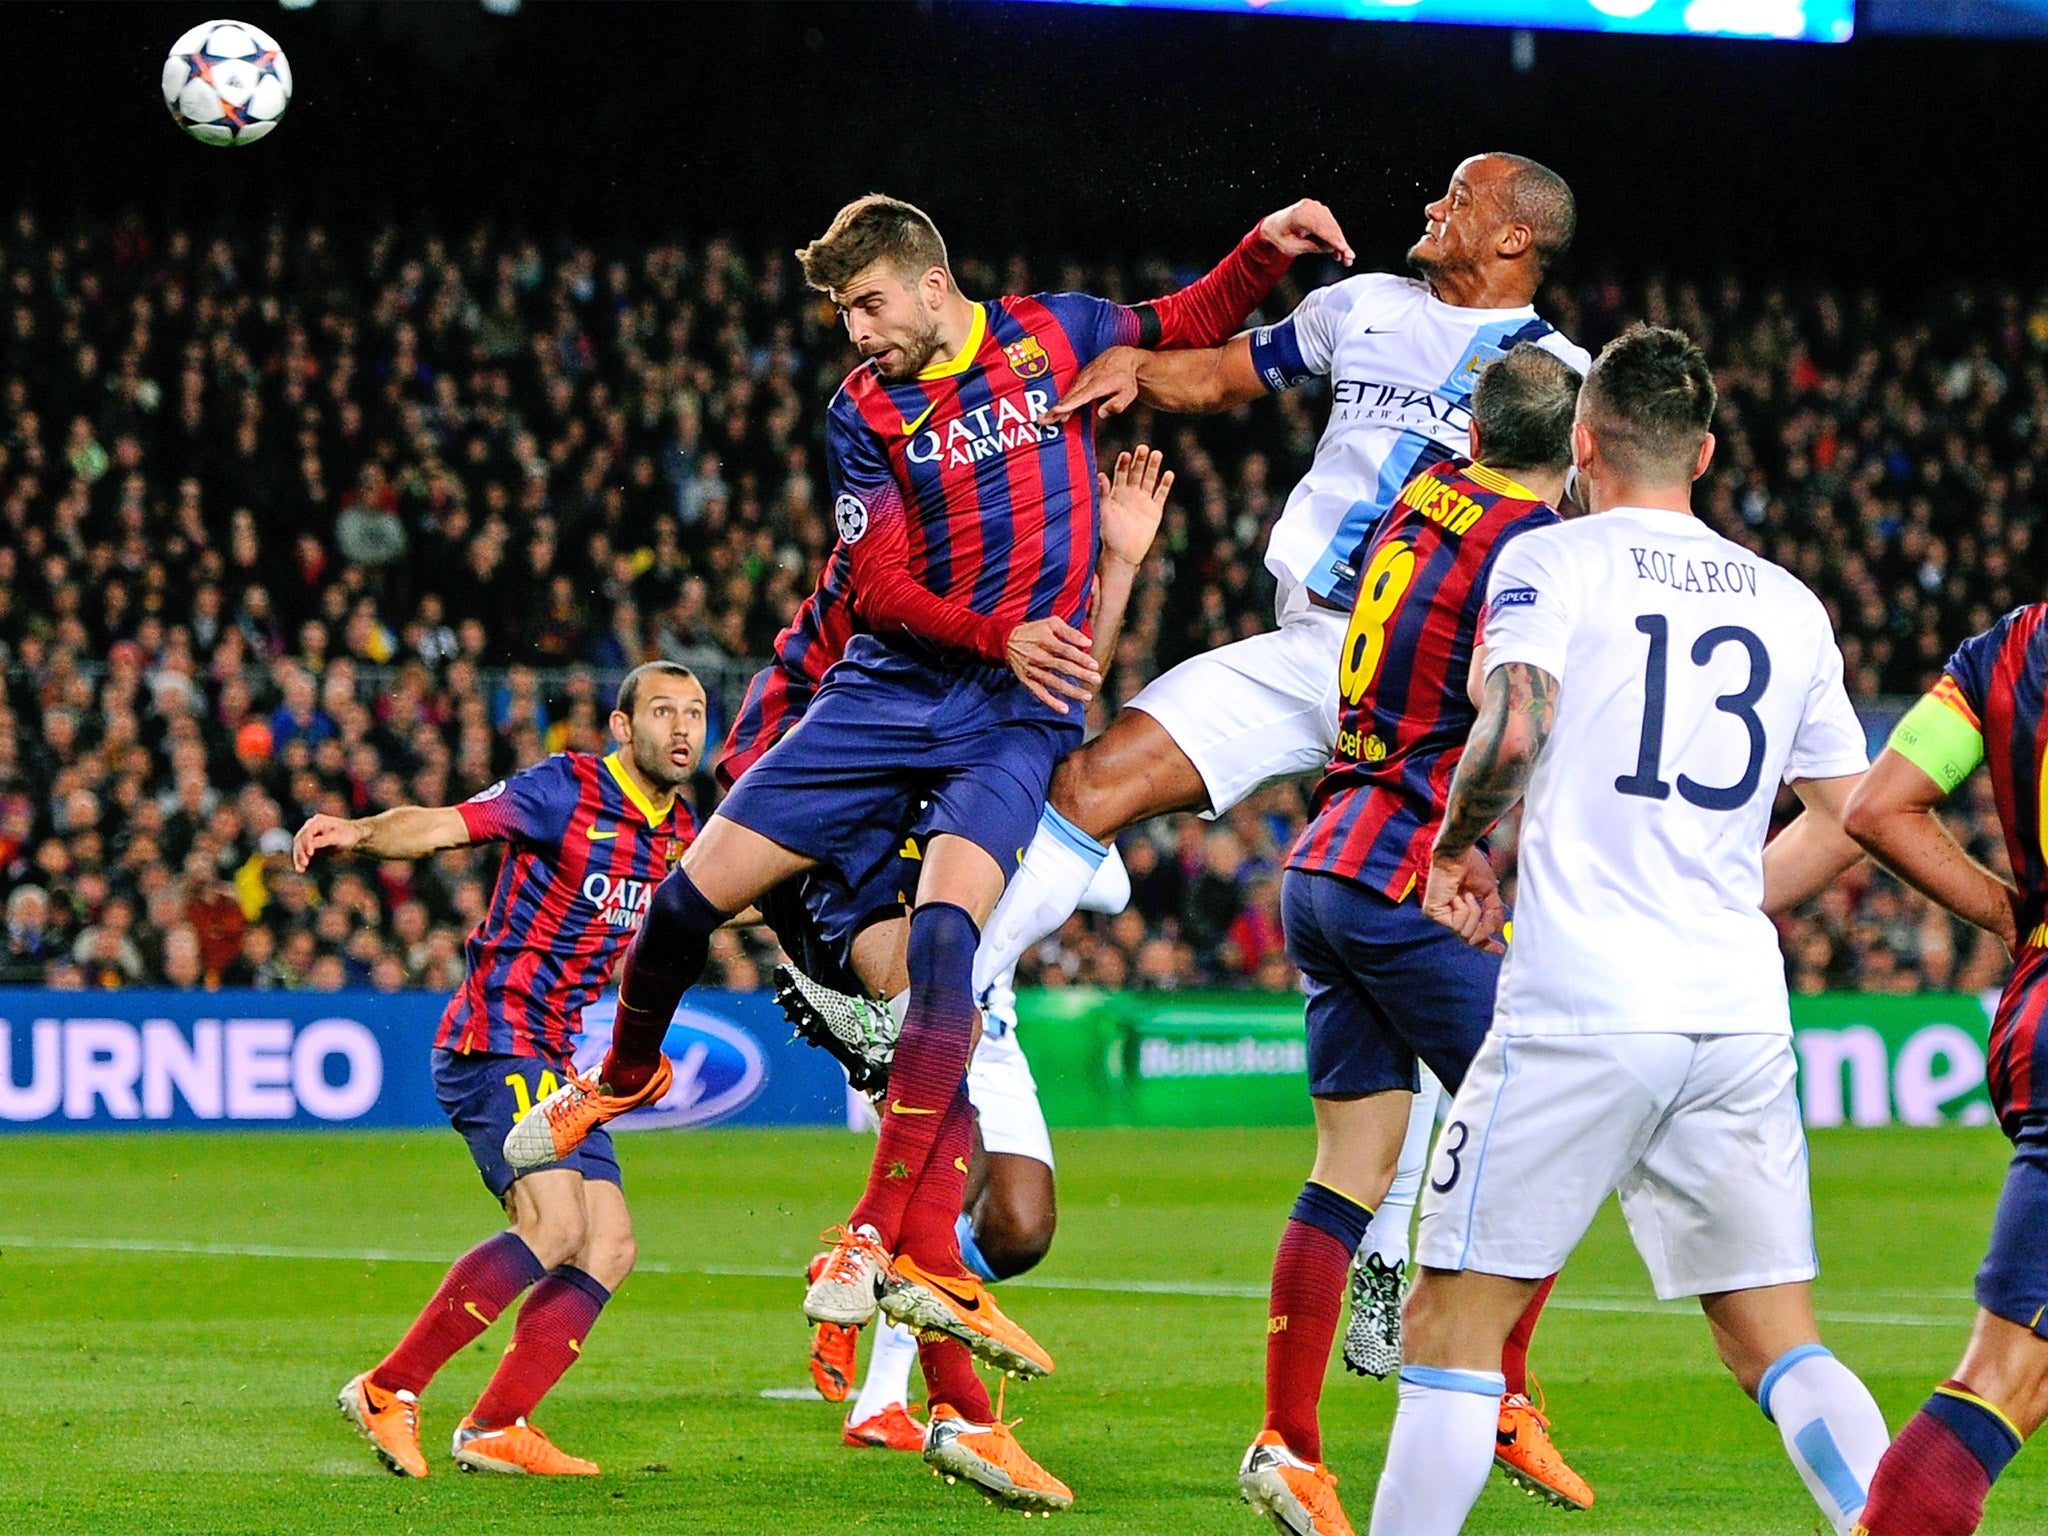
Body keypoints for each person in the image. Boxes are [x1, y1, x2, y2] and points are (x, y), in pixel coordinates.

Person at [503, 192, 1350, 1513]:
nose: (856, 332)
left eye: (866, 305)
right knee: (682, 906)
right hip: (891, 693)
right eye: (843, 313)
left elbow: (1179, 318)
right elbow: (883, 588)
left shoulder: (1052, 336)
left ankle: (895, 1280)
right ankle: (624, 1074)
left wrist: (1261, 253)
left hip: (1005, 723)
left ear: (929, 281)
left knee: (949, 954)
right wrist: (1002, 632)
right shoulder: (864, 412)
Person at [982, 154, 1589, 1379]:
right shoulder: (1357, 306)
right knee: (1090, 784)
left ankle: (1389, 1258)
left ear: (1514, 236)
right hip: (1312, 644)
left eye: (1459, 199)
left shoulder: (1560, 384)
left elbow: (1585, 540)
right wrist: (1134, 370)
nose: (1431, 207)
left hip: (1428, 692)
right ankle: (940, 1000)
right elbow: (1222, 371)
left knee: (1432, 951)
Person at [1371, 326, 1886, 1535]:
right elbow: (1848, 816)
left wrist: (1452, 848)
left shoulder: (1552, 560)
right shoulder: (1788, 603)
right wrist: (1715, 896)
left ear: (1582, 444)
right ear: (1700, 453)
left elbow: (1511, 727)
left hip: (1580, 1005)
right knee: (1773, 1339)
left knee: (1448, 1326)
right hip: (1731, 1012)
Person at [760, 449, 1174, 1452]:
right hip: (918, 1011)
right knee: (949, 1187)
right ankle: (894, 1398)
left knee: (1020, 1228)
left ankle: (874, 1301)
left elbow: (1069, 694)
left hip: (997, 1020)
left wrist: (1120, 563)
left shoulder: (1040, 771)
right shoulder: (900, 722)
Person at [1239, 344, 1585, 1536]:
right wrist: (1466, 843)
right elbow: (1510, 716)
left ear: (1475, 431)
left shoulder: (1420, 493)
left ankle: (1286, 1444)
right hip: (1403, 870)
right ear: (1575, 449)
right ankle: (1502, 1391)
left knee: (1350, 1168)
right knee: (1556, 1112)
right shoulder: (1533, 548)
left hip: (1323, 861)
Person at [299, 661, 704, 1479]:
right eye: (663, 711)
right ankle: (387, 1389)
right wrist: (363, 833)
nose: (683, 728)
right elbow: (446, 825)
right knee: (555, 1226)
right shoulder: (566, 789)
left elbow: (731, 894)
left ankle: (496, 1424)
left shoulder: (681, 831)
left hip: (559, 1058)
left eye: (695, 712)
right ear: (624, 727)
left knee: (609, 1245)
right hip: (498, 1034)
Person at [1838, 615, 2048, 1534]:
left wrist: (2014, 918)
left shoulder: (2009, 651)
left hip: (2039, 1013)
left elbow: (1877, 806)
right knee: (2004, 1380)